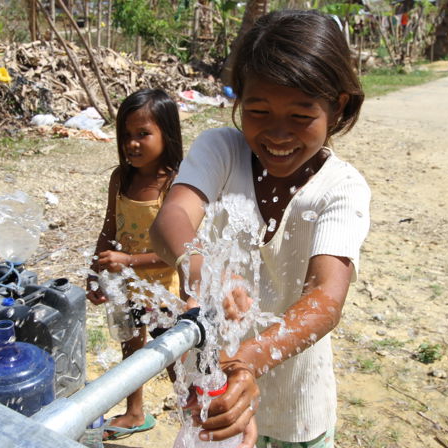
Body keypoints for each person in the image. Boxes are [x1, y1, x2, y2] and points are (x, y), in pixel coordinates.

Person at [150, 10, 370, 448]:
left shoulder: (341, 188)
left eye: (301, 115)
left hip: (297, 410)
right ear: (239, 101)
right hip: (216, 394)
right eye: (258, 110)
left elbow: (325, 298)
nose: (277, 132)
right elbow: (171, 219)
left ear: (338, 105)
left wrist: (249, 360)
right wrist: (203, 267)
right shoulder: (221, 151)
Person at [86, 88, 183, 441]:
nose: (133, 143)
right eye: (126, 135)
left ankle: (193, 415)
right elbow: (108, 230)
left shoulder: (173, 184)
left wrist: (128, 259)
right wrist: (95, 273)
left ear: (167, 135)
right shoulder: (121, 179)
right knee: (131, 346)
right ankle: (135, 411)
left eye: (143, 134)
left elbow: (178, 252)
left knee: (174, 356)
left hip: (164, 289)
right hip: (127, 285)